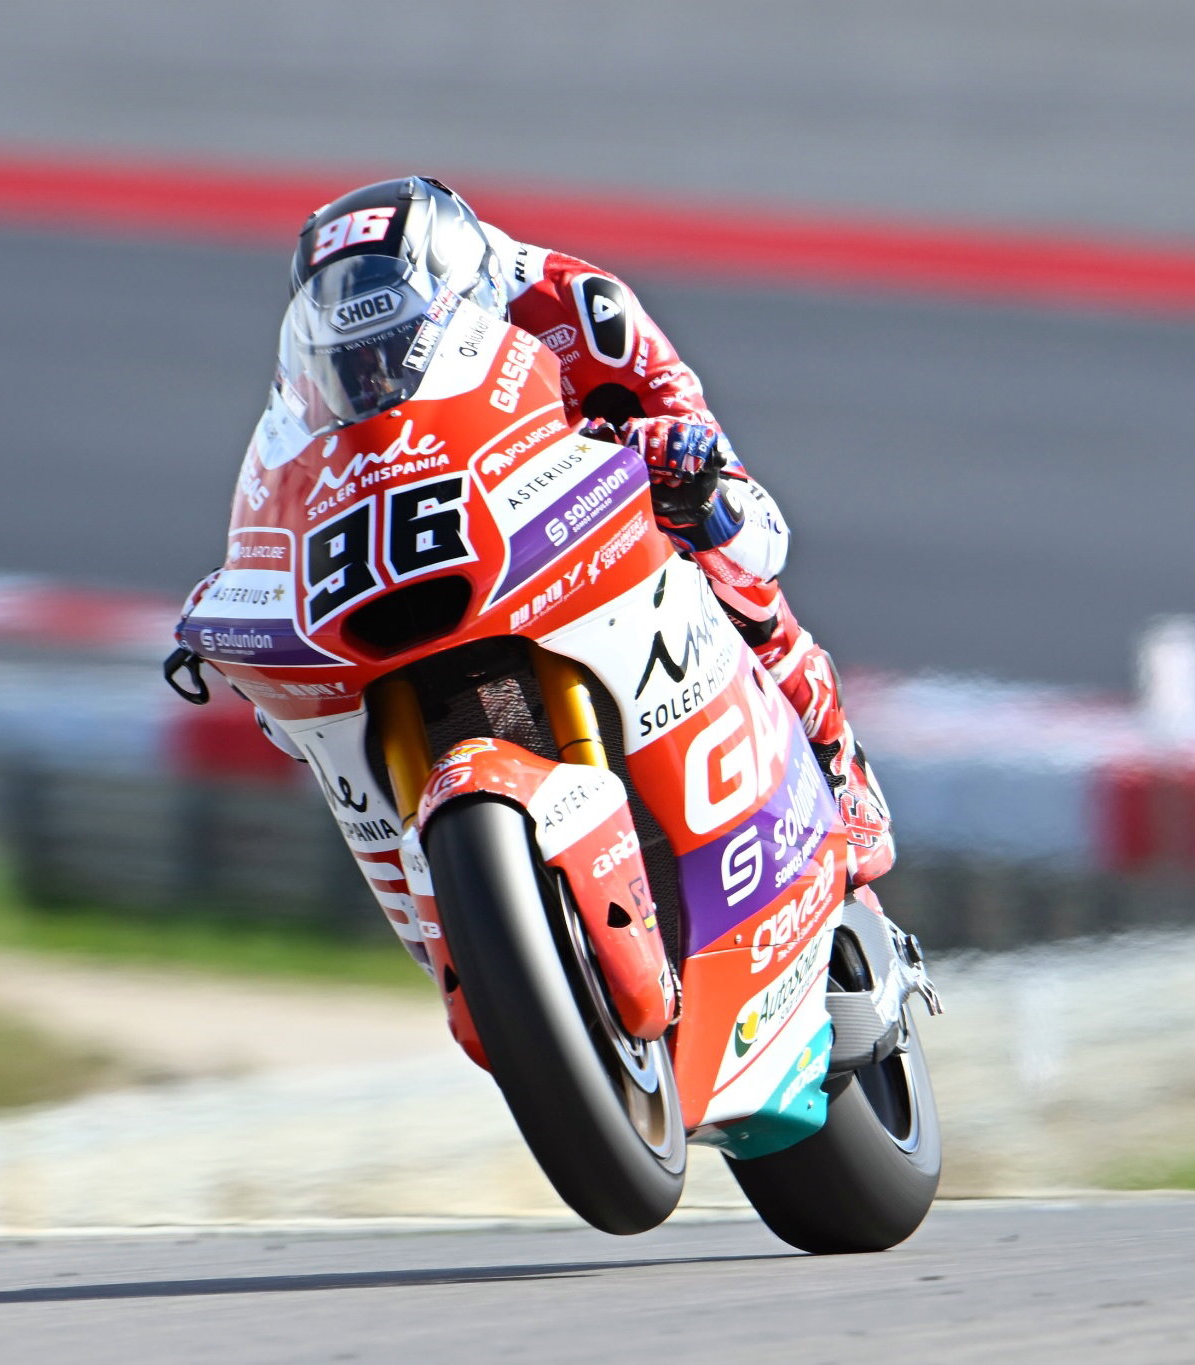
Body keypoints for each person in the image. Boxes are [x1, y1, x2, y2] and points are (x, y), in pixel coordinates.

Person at [285, 175, 895, 887]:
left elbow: (759, 527)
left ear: (467, 298)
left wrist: (693, 484)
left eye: (397, 347)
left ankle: (830, 763)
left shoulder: (581, 311)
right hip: (448, 549)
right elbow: (290, 494)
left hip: (592, 522)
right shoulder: (311, 385)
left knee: (729, 557)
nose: (377, 376)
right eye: (355, 360)